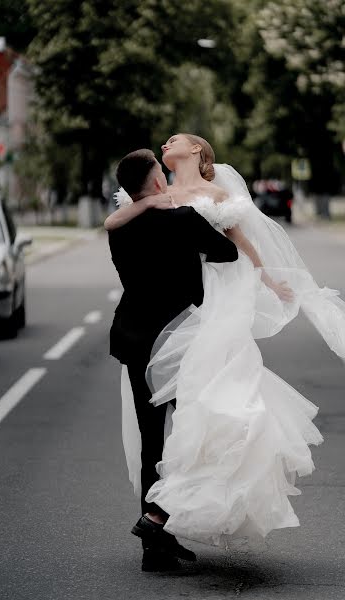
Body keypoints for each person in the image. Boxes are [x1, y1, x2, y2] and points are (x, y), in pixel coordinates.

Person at [106, 133, 345, 547]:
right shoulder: (163, 212)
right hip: (180, 324)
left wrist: (266, 275)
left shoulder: (146, 214)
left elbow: (240, 239)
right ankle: (163, 516)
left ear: (196, 151)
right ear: (157, 183)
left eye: (174, 140)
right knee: (201, 424)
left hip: (148, 328)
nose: (166, 144)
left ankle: (157, 532)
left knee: (165, 436)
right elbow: (224, 250)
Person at [107, 148, 238, 570]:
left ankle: (156, 545)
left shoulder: (120, 230)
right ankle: (156, 521)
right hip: (179, 343)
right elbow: (227, 253)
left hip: (134, 339)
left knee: (152, 443)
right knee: (192, 438)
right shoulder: (183, 221)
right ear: (160, 183)